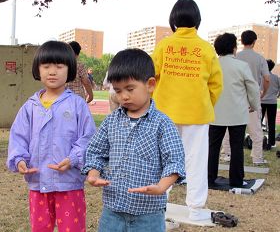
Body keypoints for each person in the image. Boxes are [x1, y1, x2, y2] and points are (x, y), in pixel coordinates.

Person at [81, 48, 186, 232]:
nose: (124, 96)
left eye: (130, 89)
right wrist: (93, 174)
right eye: (118, 90)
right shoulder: (112, 121)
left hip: (149, 214)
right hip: (112, 210)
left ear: (150, 85)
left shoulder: (162, 123)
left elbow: (175, 160)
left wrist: (161, 187)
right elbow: (96, 150)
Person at [6, 41, 96, 232]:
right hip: (38, 183)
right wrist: (20, 159)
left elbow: (88, 138)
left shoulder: (78, 105)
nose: (52, 71)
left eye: (59, 66)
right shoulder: (30, 107)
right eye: (46, 66)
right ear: (38, 69)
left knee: (72, 228)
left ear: (70, 69)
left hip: (69, 184)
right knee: (40, 228)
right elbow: (19, 137)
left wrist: (73, 158)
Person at [152, 0, 223, 221]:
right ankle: (195, 208)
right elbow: (216, 84)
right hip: (197, 114)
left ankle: (159, 202)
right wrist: (206, 103)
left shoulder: (164, 45)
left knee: (163, 159)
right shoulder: (206, 48)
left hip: (165, 113)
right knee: (197, 161)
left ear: (173, 19)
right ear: (197, 20)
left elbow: (151, 76)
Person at [208, 33, 260, 187]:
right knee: (237, 147)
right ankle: (237, 180)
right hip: (237, 113)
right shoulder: (241, 66)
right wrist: (254, 106)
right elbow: (253, 88)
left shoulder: (211, 66)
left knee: (213, 147)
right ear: (233, 48)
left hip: (215, 113)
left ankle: (209, 178)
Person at [236, 30, 270, 165]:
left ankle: (226, 154)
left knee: (231, 128)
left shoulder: (236, 57)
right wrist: (263, 93)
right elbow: (267, 78)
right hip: (252, 95)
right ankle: (257, 157)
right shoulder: (260, 58)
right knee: (255, 129)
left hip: (236, 95)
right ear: (254, 42)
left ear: (241, 41)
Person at [261, 59, 280, 150]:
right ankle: (271, 142)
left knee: (258, 122)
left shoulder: (260, 77)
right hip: (272, 102)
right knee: (271, 123)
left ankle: (258, 141)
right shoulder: (276, 78)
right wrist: (276, 94)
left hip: (261, 101)